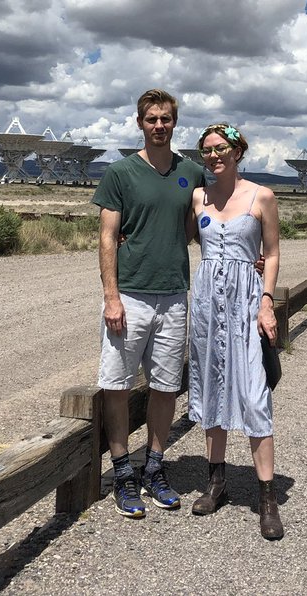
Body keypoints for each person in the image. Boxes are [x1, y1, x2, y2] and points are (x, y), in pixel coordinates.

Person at [92, 88, 205, 518]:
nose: (160, 126)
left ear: (175, 123)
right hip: (131, 296)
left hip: (174, 294)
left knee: (164, 387)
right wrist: (111, 296)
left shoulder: (191, 172)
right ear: (139, 123)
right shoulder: (119, 174)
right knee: (117, 386)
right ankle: (123, 473)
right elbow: (106, 237)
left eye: (166, 119)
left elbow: (202, 225)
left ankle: (154, 467)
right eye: (152, 119)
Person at [187, 122, 284, 540]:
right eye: (207, 150)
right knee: (211, 388)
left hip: (246, 305)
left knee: (253, 393)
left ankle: (266, 498)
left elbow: (274, 253)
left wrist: (266, 302)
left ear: (237, 150)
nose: (214, 156)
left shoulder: (261, 196)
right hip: (208, 304)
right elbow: (180, 238)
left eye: (221, 148)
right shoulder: (197, 197)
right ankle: (217, 482)